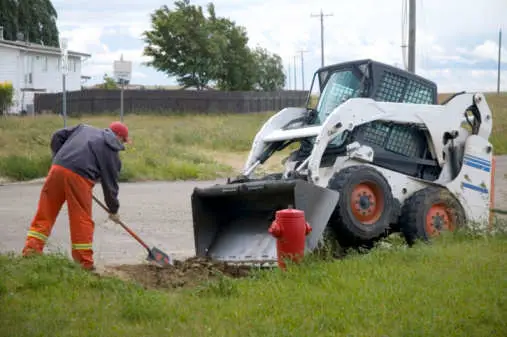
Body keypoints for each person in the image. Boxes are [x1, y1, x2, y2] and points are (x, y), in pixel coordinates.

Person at [22, 121, 130, 271]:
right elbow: (110, 186)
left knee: (46, 211)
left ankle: (31, 251)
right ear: (118, 136)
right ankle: (84, 263)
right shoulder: (112, 152)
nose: (123, 145)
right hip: (79, 178)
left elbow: (57, 136)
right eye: (124, 140)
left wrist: (59, 158)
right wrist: (114, 210)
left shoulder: (84, 128)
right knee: (81, 219)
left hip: (57, 169)